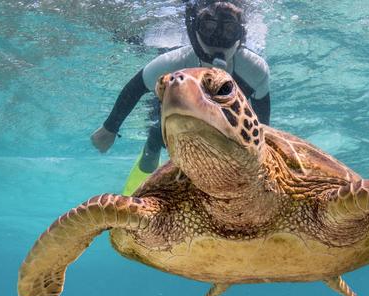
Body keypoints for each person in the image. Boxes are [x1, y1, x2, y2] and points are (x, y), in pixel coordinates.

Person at [91, 0, 271, 194]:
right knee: (155, 140)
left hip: (223, 127)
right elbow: (136, 87)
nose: (218, 39)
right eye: (208, 28)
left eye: (229, 31)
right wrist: (109, 128)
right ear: (194, 31)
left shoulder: (254, 69)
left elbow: (262, 125)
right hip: (174, 113)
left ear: (240, 36)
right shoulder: (174, 62)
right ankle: (143, 177)